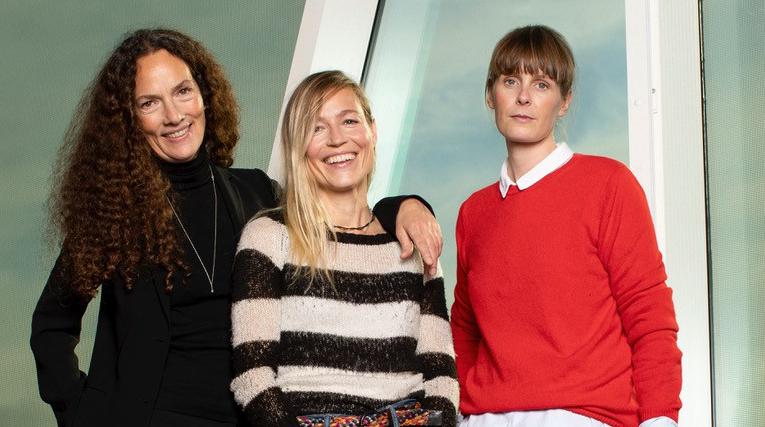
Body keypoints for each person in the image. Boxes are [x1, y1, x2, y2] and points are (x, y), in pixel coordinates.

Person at [30, 28, 441, 427]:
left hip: (252, 416)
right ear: (129, 119)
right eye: (149, 103)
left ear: (204, 95)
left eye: (183, 91)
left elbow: (338, 215)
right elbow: (51, 327)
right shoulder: (113, 212)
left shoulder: (257, 193)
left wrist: (402, 207)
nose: (174, 115)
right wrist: (81, 413)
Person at [450, 25, 682, 427]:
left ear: (564, 101)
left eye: (541, 84)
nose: (523, 97)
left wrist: (660, 419)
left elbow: (649, 316)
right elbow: (464, 331)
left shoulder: (608, 185)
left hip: (582, 416)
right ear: (491, 94)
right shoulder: (474, 212)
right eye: (510, 81)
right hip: (483, 418)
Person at [229, 70, 459, 427]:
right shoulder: (269, 237)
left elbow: (441, 372)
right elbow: (252, 375)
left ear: (373, 131)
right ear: (298, 146)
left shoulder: (411, 242)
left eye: (349, 121)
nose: (337, 139)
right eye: (317, 128)